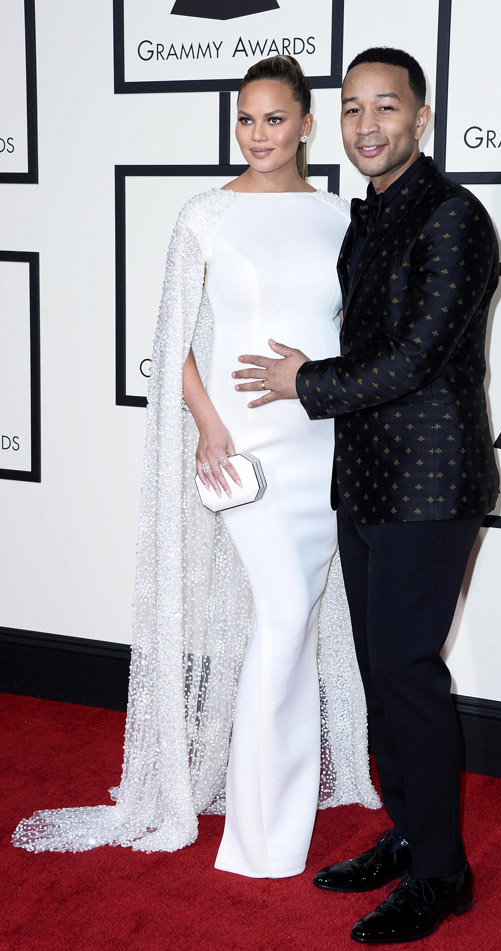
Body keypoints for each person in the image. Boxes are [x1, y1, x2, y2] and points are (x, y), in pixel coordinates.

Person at [12, 55, 379, 875]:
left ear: (308, 124)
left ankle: (266, 806)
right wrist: (209, 427)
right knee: (284, 618)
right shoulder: (206, 215)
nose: (257, 134)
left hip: (322, 440)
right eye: (245, 119)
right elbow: (169, 345)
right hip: (243, 447)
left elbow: (355, 331)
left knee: (288, 627)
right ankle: (261, 835)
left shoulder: (343, 216)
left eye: (274, 118)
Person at [232, 47, 500, 939]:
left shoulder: (454, 217)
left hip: (430, 485)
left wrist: (306, 383)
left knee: (407, 676)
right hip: (365, 483)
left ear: (421, 117)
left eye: (385, 107)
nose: (365, 125)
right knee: (383, 677)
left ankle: (443, 875)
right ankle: (411, 830)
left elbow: (418, 356)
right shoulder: (367, 218)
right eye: (350, 109)